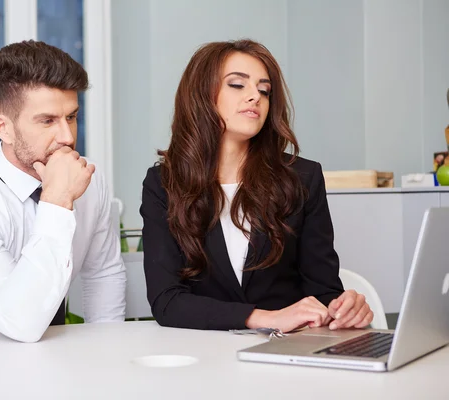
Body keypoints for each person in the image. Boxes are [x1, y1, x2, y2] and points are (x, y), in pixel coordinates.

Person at [140, 39, 374, 333]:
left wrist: (344, 308)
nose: (256, 97)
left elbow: (322, 291)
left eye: (264, 90)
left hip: (286, 354)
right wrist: (265, 318)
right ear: (201, 95)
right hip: (202, 357)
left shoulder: (303, 178)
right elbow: (167, 301)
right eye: (238, 85)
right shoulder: (163, 184)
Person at [0, 40, 126, 343]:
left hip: (54, 365)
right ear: (3, 128)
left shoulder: (89, 179)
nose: (67, 137)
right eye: (47, 121)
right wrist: (57, 201)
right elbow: (20, 322)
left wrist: (107, 355)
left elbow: (103, 275)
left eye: (71, 117)